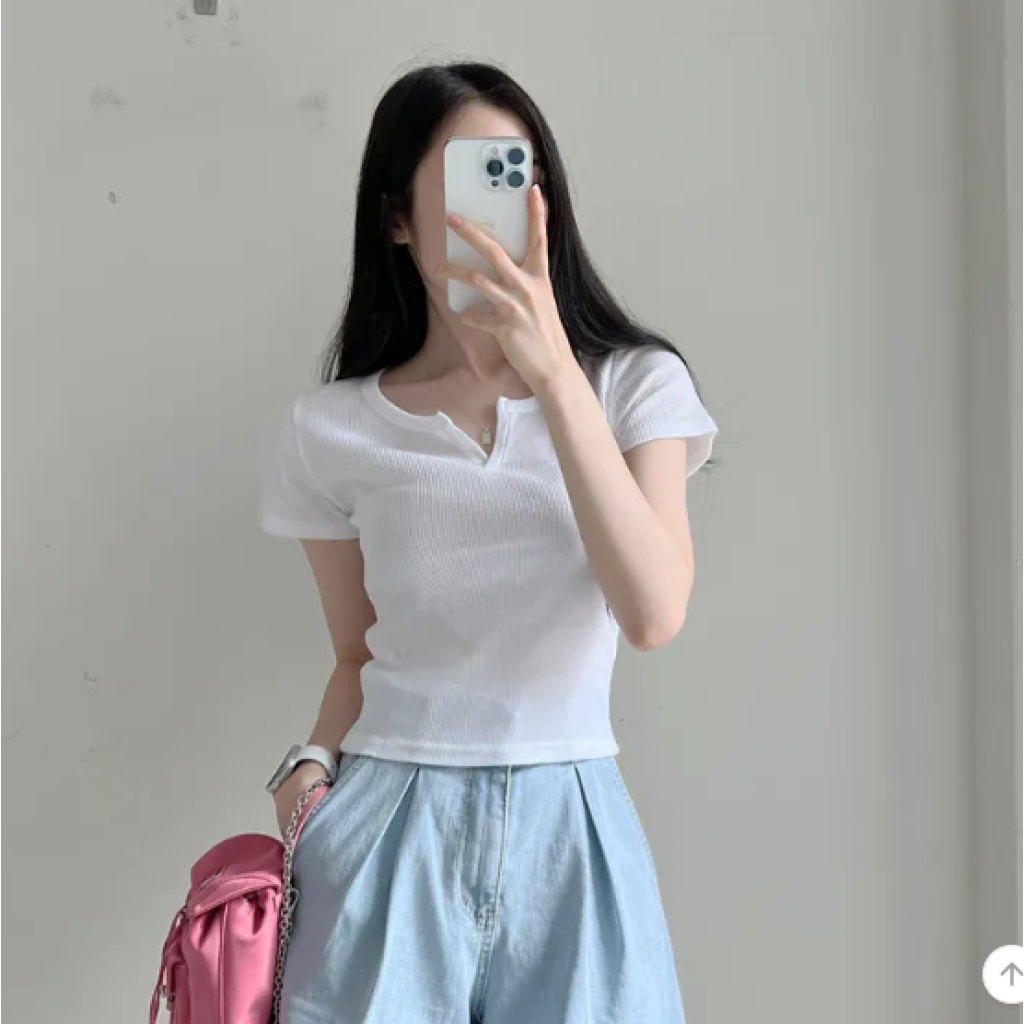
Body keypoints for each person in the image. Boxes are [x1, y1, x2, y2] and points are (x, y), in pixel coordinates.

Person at [259, 60, 718, 1024]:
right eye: (474, 175)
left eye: (519, 173)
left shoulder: (633, 386)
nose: (503, 201)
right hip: (387, 822)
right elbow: (356, 652)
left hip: (572, 825)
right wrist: (308, 769)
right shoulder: (329, 428)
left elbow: (652, 611)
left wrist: (552, 371)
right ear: (396, 217)